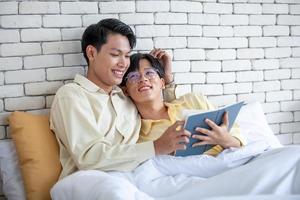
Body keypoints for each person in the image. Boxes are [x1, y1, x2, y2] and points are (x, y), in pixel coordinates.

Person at [49, 18, 190, 180]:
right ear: (92, 53)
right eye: (115, 54)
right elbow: (89, 157)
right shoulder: (72, 95)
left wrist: (159, 75)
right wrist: (155, 147)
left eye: (127, 55)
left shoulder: (126, 95)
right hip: (90, 181)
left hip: (136, 177)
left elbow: (158, 107)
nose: (124, 63)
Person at [119, 52, 259, 178]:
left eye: (149, 73)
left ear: (162, 83)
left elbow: (239, 141)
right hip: (198, 179)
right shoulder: (139, 137)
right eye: (133, 76)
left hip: (237, 168)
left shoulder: (193, 100)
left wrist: (225, 139)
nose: (143, 79)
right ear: (125, 91)